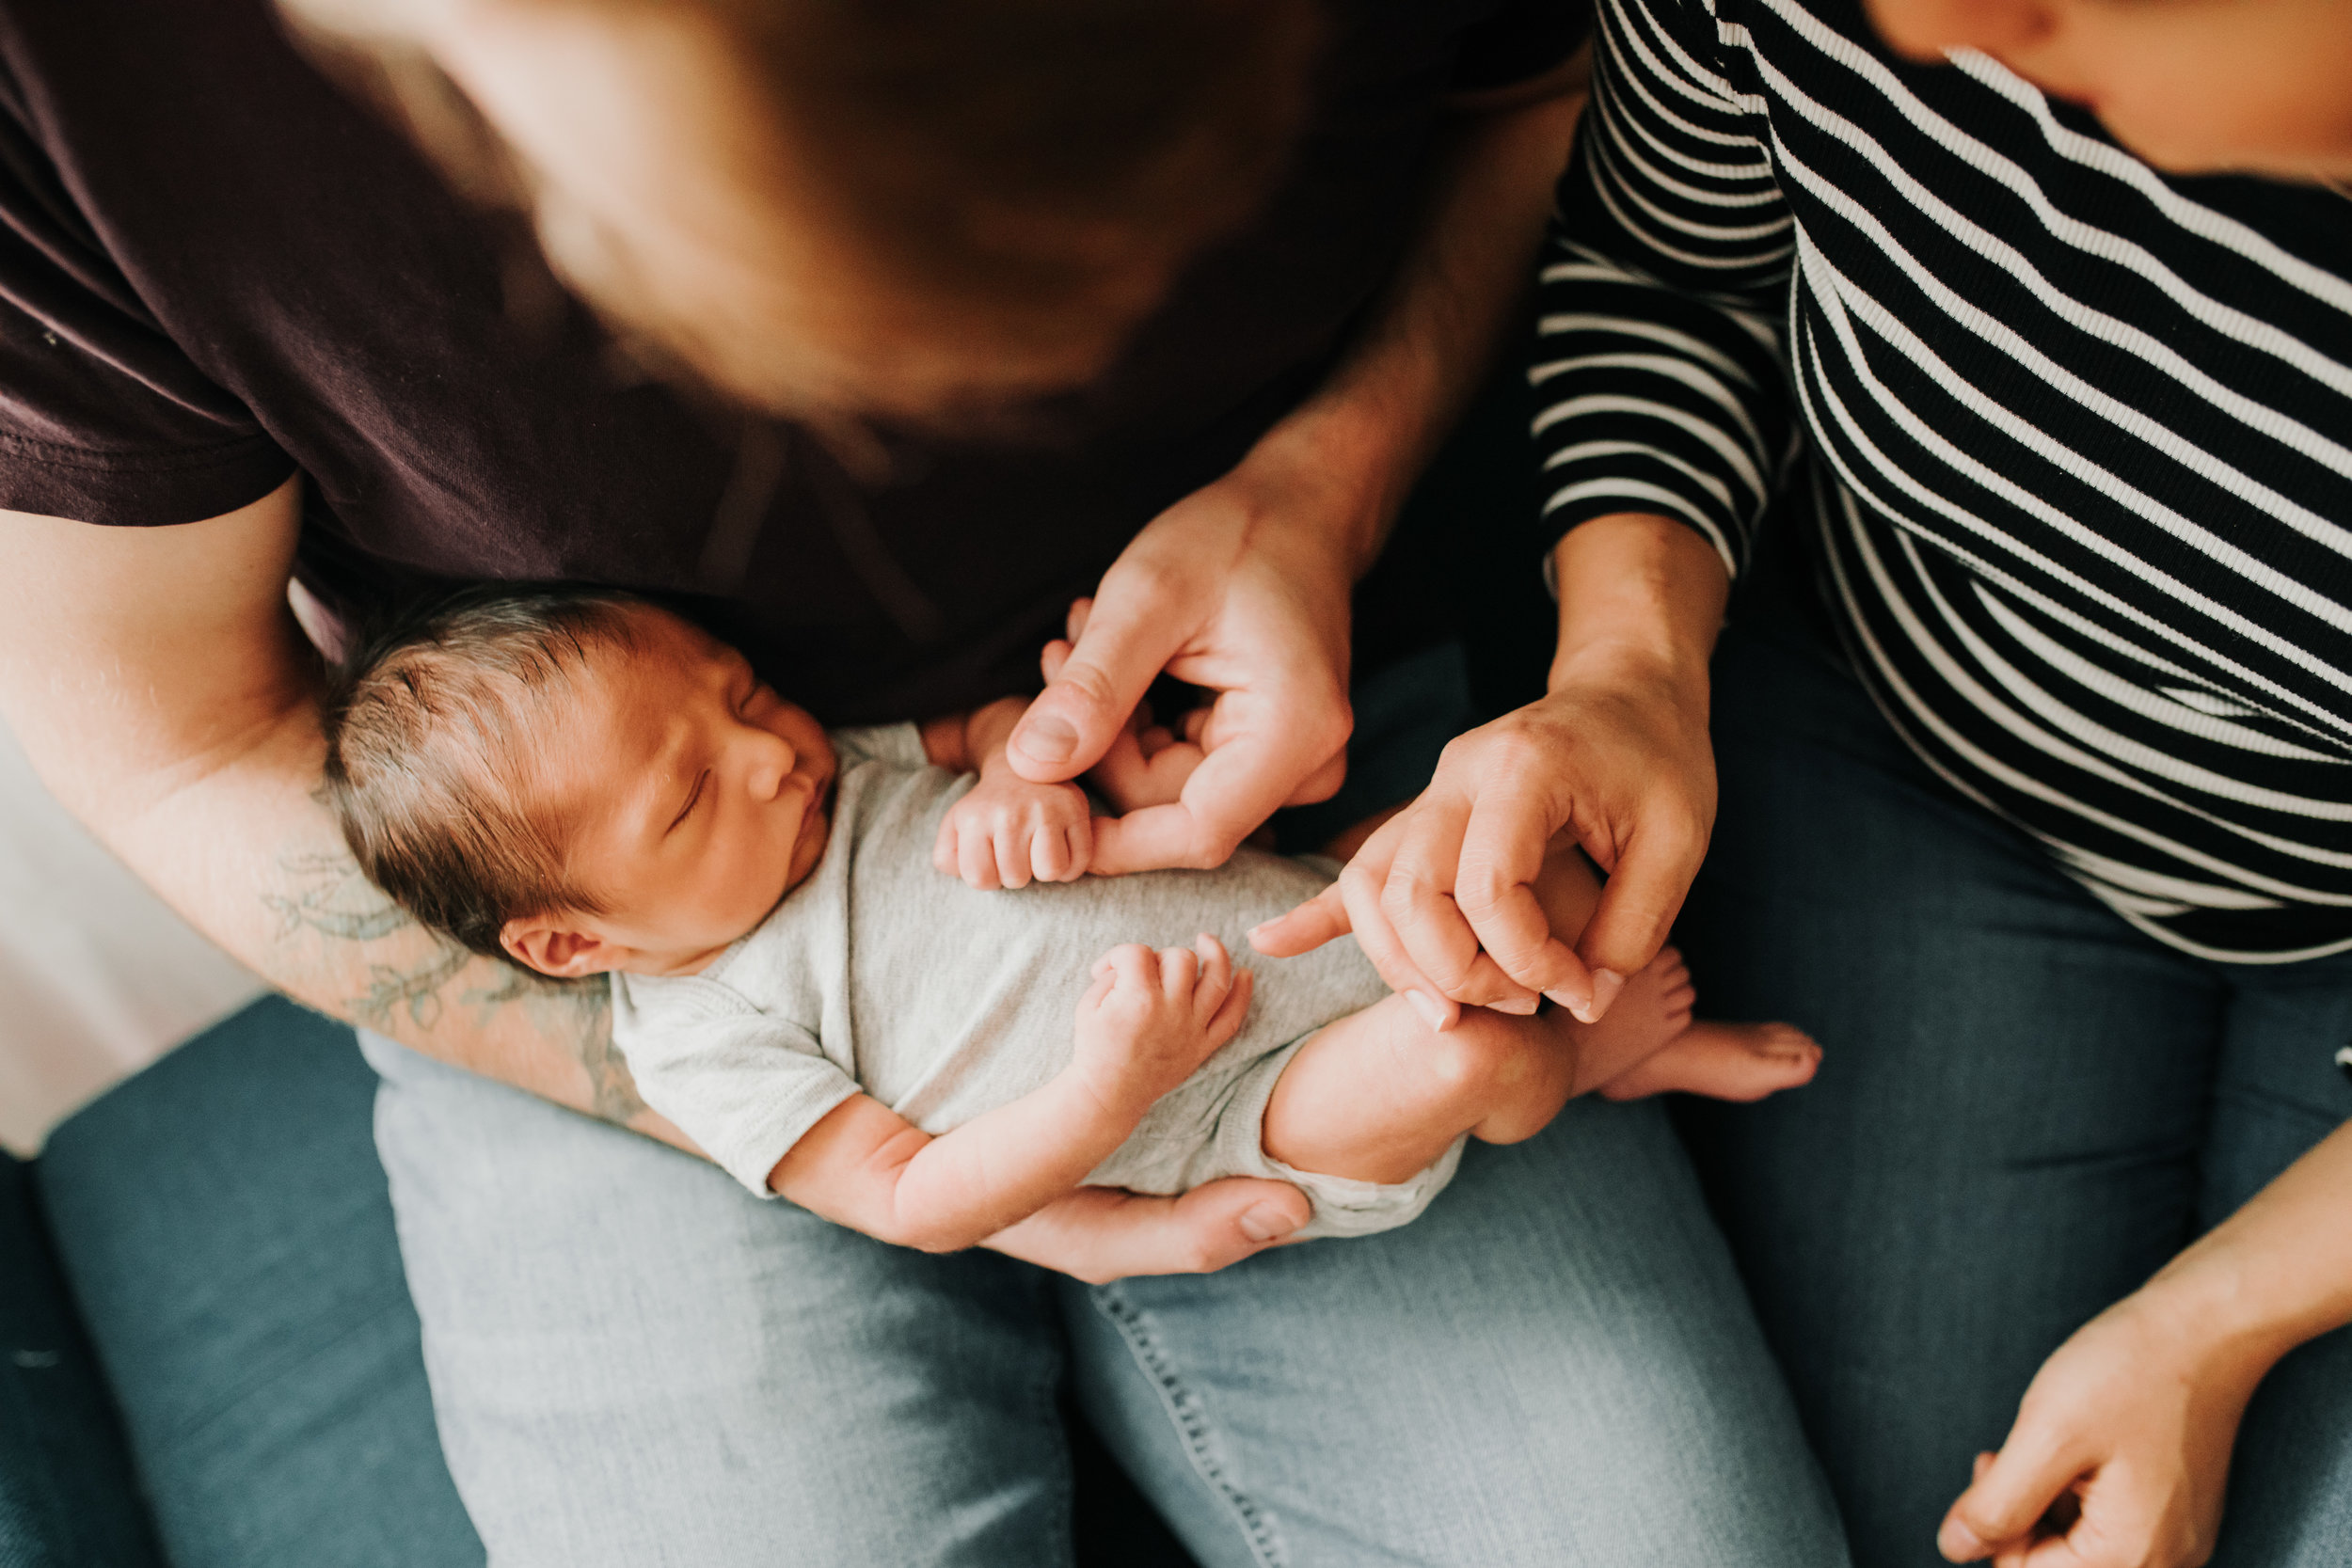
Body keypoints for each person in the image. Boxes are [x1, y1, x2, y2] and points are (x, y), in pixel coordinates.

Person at [0, 0, 1852, 1561]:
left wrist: (1325, 476)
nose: (766, 740)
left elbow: (1539, 97)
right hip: (607, 993)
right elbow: (178, 741)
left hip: (1265, 743)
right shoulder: (78, 90)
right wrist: (926, 1159)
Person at [1251, 0, 2352, 1561]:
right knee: (1921, 1527)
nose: (1946, 29)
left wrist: (2209, 1331)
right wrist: (1628, 671)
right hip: (1906, 737)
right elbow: (1670, 273)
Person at [317, 589, 1816, 1249]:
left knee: (1494, 861)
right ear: (574, 942)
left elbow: (1011, 739)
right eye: (691, 797)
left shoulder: (838, 774)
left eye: (741, 692)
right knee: (1463, 1052)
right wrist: (1114, 1088)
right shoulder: (703, 1039)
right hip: (1238, 1107)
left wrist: (1058, 773)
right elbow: (913, 1200)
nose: (775, 751)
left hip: (1293, 905)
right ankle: (1600, 1057)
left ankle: (1577, 997)